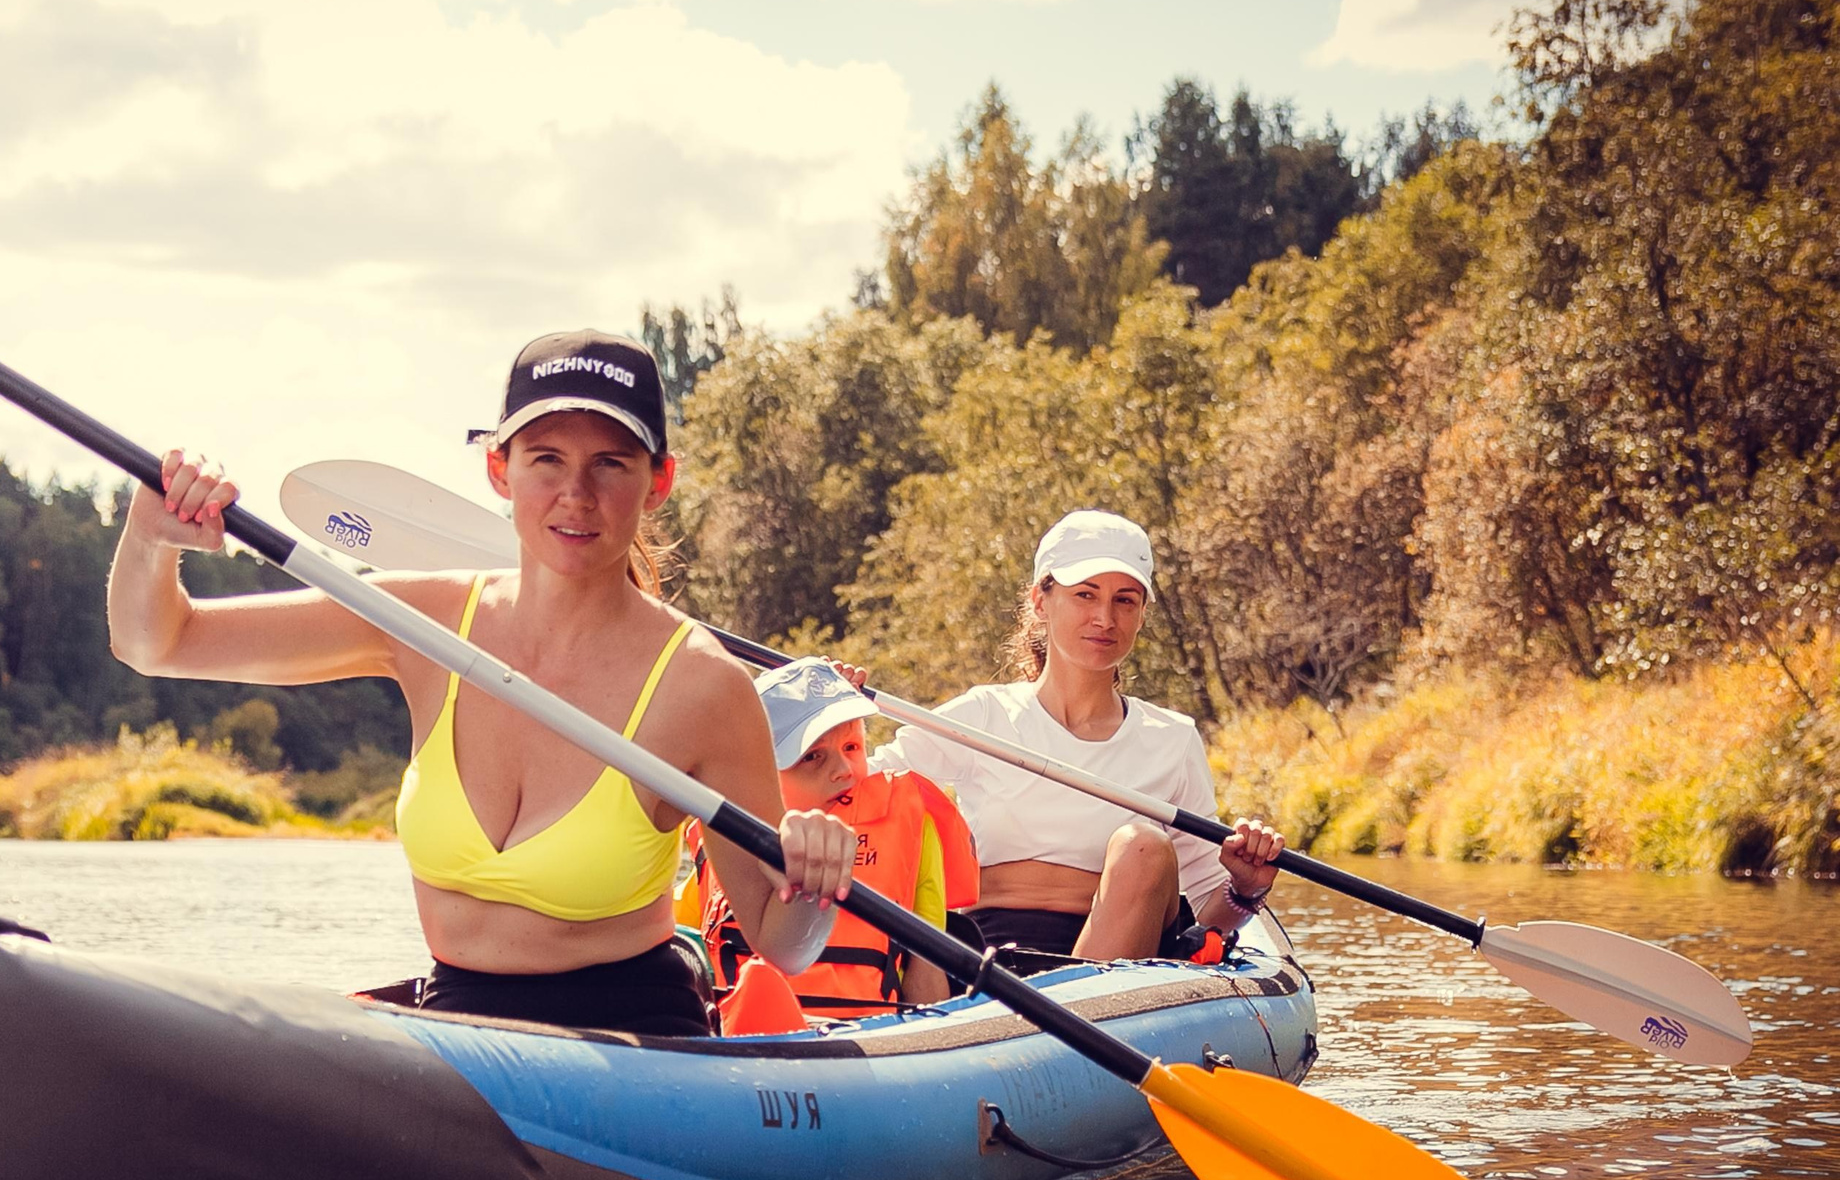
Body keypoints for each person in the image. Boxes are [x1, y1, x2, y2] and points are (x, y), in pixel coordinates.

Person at [107, 330, 858, 1037]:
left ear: (658, 481)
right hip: (462, 1027)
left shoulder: (701, 687)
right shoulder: (419, 622)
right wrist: (150, 536)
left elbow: (782, 943)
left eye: (610, 464)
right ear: (500, 468)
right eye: (547, 460)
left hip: (638, 1044)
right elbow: (158, 642)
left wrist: (814, 879)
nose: (577, 494)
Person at [873, 510, 1284, 960]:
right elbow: (857, 786)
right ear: (1040, 601)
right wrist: (829, 710)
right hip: (986, 959)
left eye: (1125, 601)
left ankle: (1071, 1002)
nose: (1104, 618)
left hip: (1116, 968)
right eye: (1085, 595)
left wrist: (1245, 890)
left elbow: (1208, 915)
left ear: (1142, 614)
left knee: (1143, 845)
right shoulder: (982, 716)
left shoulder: (1173, 739)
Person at [681, 658, 977, 1018]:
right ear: (760, 770)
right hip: (746, 1028)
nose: (844, 770)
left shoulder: (910, 820)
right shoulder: (723, 830)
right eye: (813, 757)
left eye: (852, 747)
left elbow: (927, 965)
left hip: (871, 1035)